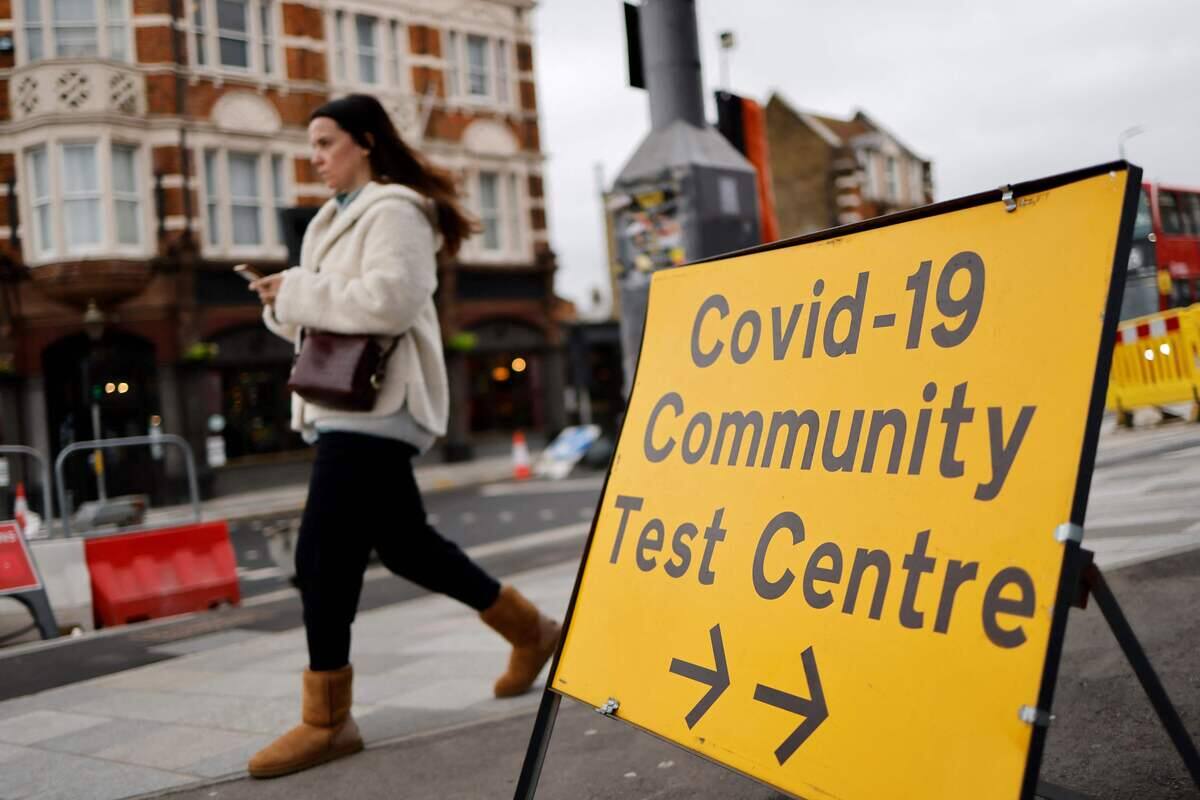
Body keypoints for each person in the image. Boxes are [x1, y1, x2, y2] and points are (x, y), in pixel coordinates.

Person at [244, 94, 562, 779]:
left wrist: (298, 291)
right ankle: (531, 632)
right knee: (407, 546)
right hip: (342, 401)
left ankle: (328, 720)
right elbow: (322, 316)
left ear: (363, 140)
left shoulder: (396, 210)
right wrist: (282, 301)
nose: (316, 158)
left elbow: (390, 301)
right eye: (313, 147)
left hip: (379, 403)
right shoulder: (329, 220)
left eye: (325, 143)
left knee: (321, 553)